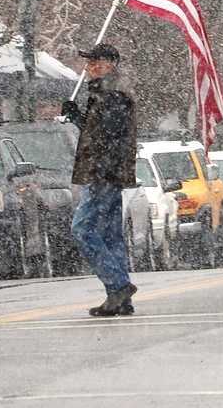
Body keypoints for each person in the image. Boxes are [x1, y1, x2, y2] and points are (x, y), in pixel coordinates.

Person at [64, 43, 139, 317]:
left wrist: (103, 173)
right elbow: (101, 133)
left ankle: (118, 285)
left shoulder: (113, 94)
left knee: (82, 229)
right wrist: (78, 118)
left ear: (109, 65)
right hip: (108, 175)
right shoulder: (105, 94)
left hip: (103, 176)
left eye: (94, 62)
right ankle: (119, 298)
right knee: (109, 236)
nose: (88, 68)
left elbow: (111, 139)